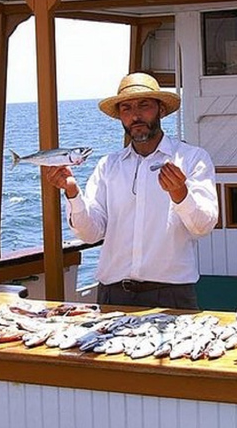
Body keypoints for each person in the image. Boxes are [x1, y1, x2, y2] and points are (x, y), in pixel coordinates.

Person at [46, 72, 218, 310]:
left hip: (172, 296)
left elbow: (203, 226)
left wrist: (180, 194)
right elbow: (91, 234)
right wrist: (73, 193)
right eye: (126, 108)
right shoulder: (108, 166)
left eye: (144, 105)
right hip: (112, 295)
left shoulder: (193, 159)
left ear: (161, 110)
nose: (135, 115)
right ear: (120, 117)